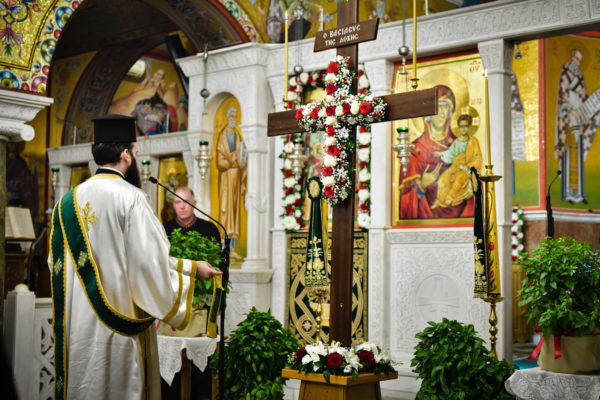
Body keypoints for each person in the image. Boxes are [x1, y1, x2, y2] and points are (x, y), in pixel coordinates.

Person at [48, 114, 221, 400]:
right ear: (126, 155)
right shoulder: (132, 198)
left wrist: (190, 267)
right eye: (136, 152)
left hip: (78, 329)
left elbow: (56, 265)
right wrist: (192, 277)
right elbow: (148, 263)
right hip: (119, 331)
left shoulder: (66, 203)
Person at [398, 85, 475, 219]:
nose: (442, 112)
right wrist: (422, 185)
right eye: (437, 107)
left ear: (450, 112)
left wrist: (471, 186)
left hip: (460, 214)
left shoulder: (460, 145)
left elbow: (473, 173)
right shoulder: (414, 150)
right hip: (423, 218)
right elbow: (404, 200)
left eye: (445, 107)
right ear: (427, 114)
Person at [555, 48, 600, 202]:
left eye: (580, 60)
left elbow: (584, 95)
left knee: (578, 152)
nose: (578, 63)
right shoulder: (565, 71)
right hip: (568, 116)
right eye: (576, 59)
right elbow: (562, 95)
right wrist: (571, 110)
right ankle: (568, 192)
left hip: (579, 116)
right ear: (572, 58)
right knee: (569, 151)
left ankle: (579, 193)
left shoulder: (579, 74)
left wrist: (590, 106)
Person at [215, 105, 247, 260]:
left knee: (235, 214)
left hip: (236, 178)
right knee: (225, 211)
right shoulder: (222, 136)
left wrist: (241, 161)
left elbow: (242, 157)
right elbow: (219, 161)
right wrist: (230, 160)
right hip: (226, 178)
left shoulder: (237, 136)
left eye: (236, 116)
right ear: (227, 117)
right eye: (232, 115)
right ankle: (223, 247)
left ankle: (232, 248)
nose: (234, 118)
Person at [432, 114, 483, 209]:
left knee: (459, 178)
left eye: (466, 126)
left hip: (468, 169)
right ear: (458, 128)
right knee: (443, 179)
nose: (463, 129)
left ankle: (450, 197)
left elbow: (477, 158)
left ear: (469, 127)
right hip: (455, 167)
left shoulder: (473, 141)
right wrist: (441, 154)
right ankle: (440, 200)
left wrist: (469, 166)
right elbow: (450, 153)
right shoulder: (456, 141)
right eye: (461, 126)